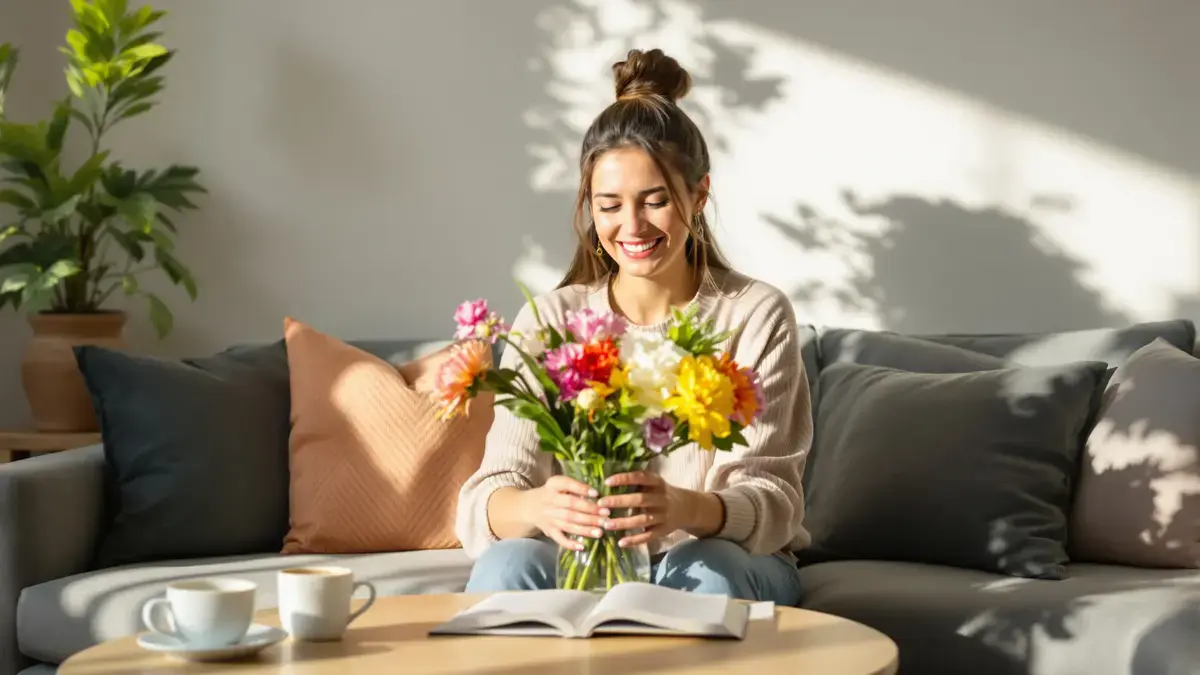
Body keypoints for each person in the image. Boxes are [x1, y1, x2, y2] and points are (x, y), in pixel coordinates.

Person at [454, 48, 812, 606]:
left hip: (726, 560)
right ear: (589, 208)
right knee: (509, 562)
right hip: (585, 558)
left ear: (698, 195)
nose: (632, 226)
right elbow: (488, 499)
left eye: (655, 201)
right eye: (610, 205)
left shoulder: (755, 313)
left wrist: (687, 507)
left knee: (705, 567)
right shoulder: (552, 321)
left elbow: (774, 501)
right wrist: (536, 507)